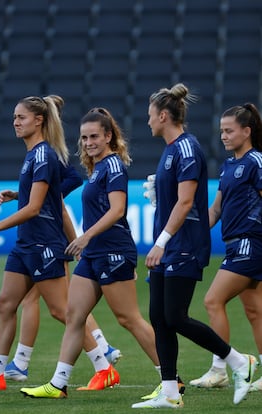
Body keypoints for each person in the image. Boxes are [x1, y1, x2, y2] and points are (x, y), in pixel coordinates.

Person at [0, 95, 119, 392]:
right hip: (27, 243)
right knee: (6, 303)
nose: (15, 122)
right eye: (14, 117)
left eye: (21, 117)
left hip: (44, 245)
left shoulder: (43, 155)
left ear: (38, 120)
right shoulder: (33, 155)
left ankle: (104, 368)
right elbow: (45, 199)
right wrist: (17, 195)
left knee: (63, 311)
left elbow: (35, 208)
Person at [20, 107, 162, 399]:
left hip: (113, 251)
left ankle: (170, 378)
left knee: (129, 318)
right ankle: (58, 384)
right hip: (94, 254)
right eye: (84, 138)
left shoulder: (114, 167)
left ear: (109, 136)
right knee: (74, 316)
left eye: (94, 136)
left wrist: (84, 237)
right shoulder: (96, 169)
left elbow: (118, 210)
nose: (88, 142)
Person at [131, 83, 257, 409]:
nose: (147, 122)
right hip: (172, 244)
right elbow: (187, 203)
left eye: (149, 116)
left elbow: (187, 203)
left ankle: (237, 361)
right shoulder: (171, 151)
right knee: (159, 317)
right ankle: (170, 392)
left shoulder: (187, 149)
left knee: (175, 316)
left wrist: (161, 241)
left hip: (181, 246)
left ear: (163, 116)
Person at [189, 103, 262, 391]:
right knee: (255, 310)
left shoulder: (256, 161)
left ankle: (220, 368)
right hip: (237, 245)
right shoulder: (229, 165)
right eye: (221, 131)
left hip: (250, 244)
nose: (223, 136)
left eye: (229, 131)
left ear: (247, 131)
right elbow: (215, 210)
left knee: (212, 300)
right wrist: (189, 231)